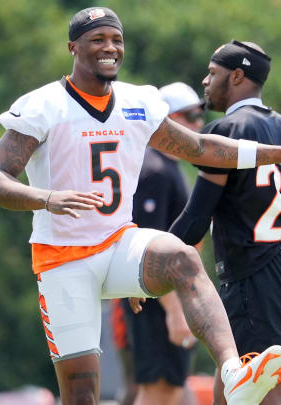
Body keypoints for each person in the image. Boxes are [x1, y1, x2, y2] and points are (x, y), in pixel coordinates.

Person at [0, 7, 281, 405]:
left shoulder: (138, 102)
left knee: (182, 257)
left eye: (116, 39)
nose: (110, 47)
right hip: (63, 259)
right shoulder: (43, 104)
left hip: (119, 243)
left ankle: (234, 371)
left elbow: (201, 147)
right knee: (82, 392)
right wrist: (48, 198)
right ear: (73, 47)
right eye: (97, 39)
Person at [168, 40, 281, 405]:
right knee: (231, 389)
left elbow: (196, 218)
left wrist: (146, 261)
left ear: (237, 76)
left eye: (213, 73)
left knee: (261, 395)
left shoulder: (226, 130)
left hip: (252, 278)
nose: (205, 81)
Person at [112, 82, 204, 405]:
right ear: (168, 119)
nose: (199, 125)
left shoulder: (169, 167)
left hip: (166, 297)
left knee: (172, 390)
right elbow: (147, 250)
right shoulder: (153, 170)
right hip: (154, 300)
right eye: (191, 116)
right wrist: (175, 312)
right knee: (159, 391)